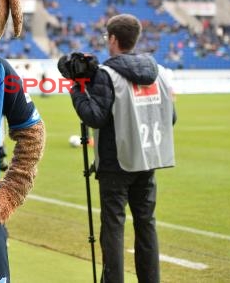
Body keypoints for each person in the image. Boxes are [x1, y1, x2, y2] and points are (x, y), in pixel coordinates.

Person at [60, 14, 176, 283]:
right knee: (146, 225)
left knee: (113, 228)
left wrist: (76, 89)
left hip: (116, 163)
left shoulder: (107, 74)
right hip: (146, 159)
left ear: (112, 39)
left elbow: (94, 117)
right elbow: (171, 117)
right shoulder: (155, 72)